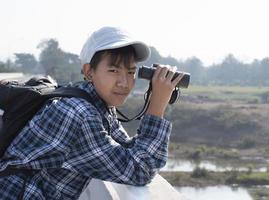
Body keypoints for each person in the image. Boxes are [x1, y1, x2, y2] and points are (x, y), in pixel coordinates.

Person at [0, 26, 184, 199]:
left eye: (131, 72)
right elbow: (140, 170)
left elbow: (129, 151)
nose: (124, 82)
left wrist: (156, 98)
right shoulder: (80, 114)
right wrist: (158, 105)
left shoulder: (96, 104)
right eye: (113, 70)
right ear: (89, 71)